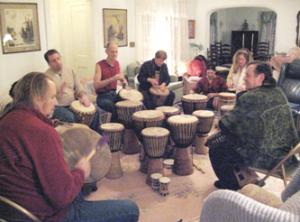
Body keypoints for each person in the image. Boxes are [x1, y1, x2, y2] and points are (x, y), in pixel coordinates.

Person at [0, 72, 139, 222]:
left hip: (14, 210)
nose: (55, 102)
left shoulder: (6, 120)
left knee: (77, 185)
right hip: (48, 215)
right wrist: (80, 172)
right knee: (131, 209)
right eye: (52, 97)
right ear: (37, 98)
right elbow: (63, 196)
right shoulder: (41, 132)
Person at [207, 62, 299, 190]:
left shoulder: (251, 97)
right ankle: (248, 178)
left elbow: (226, 125)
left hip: (268, 157)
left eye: (248, 75)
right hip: (286, 155)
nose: (244, 78)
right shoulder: (279, 92)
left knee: (216, 148)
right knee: (236, 140)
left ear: (260, 78)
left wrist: (220, 121)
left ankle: (231, 186)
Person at [44, 49, 102, 131]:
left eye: (58, 58)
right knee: (70, 117)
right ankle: (77, 141)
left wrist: (83, 96)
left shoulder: (70, 70)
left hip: (73, 103)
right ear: (49, 64)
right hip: (58, 107)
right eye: (53, 61)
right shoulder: (46, 77)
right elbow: (49, 99)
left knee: (95, 112)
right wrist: (59, 92)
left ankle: (97, 139)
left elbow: (79, 87)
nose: (58, 62)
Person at [94, 42, 127, 122]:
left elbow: (123, 79)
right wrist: (113, 79)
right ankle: (109, 132)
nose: (115, 54)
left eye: (116, 51)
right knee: (113, 107)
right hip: (102, 96)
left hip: (114, 94)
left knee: (128, 103)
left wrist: (125, 83)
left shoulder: (117, 63)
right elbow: (96, 85)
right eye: (112, 51)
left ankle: (126, 128)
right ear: (106, 52)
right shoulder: (99, 65)